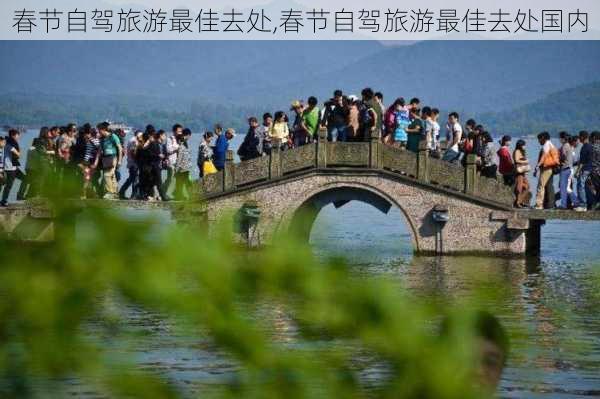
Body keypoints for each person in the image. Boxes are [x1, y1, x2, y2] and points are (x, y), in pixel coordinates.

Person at [534, 132, 559, 210]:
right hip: (550, 168)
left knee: (540, 186)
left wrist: (537, 166)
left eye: (539, 139)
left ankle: (539, 204)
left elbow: (544, 157)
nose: (539, 141)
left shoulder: (546, 145)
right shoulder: (551, 144)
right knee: (549, 186)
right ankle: (550, 204)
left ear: (543, 138)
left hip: (546, 168)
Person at [97, 122, 122, 200]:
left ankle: (110, 192)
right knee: (112, 176)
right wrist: (96, 161)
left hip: (113, 157)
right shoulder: (102, 139)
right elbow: (100, 150)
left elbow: (119, 148)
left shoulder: (113, 136)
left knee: (107, 175)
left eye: (99, 130)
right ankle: (115, 193)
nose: (98, 132)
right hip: (105, 158)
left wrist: (120, 160)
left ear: (103, 129)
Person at [0, 129, 24, 206]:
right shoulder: (10, 145)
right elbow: (18, 154)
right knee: (8, 185)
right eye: (18, 135)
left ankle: (4, 200)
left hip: (10, 168)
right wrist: (17, 146)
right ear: (13, 135)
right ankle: (4, 200)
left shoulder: (6, 143)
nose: (19, 137)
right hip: (10, 168)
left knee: (5, 185)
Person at [557, 132, 580, 210]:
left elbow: (562, 157)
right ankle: (576, 202)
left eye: (560, 138)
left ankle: (564, 205)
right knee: (567, 188)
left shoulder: (564, 146)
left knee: (563, 188)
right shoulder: (570, 147)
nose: (559, 139)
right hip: (570, 169)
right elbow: (574, 159)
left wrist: (559, 160)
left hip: (565, 169)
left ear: (563, 138)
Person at [119, 130, 143, 200]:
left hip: (131, 163)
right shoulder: (134, 141)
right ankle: (133, 195)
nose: (142, 138)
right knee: (134, 179)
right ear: (137, 135)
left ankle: (122, 192)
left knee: (131, 179)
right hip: (133, 163)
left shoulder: (133, 140)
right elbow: (133, 153)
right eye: (141, 136)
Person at [163, 124, 182, 197]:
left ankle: (176, 193)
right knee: (170, 178)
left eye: (181, 131)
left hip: (178, 162)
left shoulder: (180, 139)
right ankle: (163, 192)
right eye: (178, 131)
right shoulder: (170, 139)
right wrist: (177, 147)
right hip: (171, 161)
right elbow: (168, 150)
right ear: (174, 131)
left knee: (178, 178)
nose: (180, 133)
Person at [174, 129, 193, 201]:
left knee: (182, 182)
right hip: (183, 167)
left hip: (184, 167)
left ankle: (179, 196)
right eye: (189, 136)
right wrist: (176, 168)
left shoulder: (184, 142)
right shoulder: (182, 144)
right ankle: (188, 196)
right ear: (187, 135)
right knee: (185, 182)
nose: (189, 137)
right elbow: (179, 157)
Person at [513, 140, 532, 208]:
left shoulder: (522, 151)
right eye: (523, 145)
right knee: (519, 187)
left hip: (522, 171)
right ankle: (518, 202)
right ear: (520, 145)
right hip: (518, 171)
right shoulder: (517, 151)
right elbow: (516, 160)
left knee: (527, 186)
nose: (525, 146)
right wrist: (525, 161)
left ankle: (519, 201)